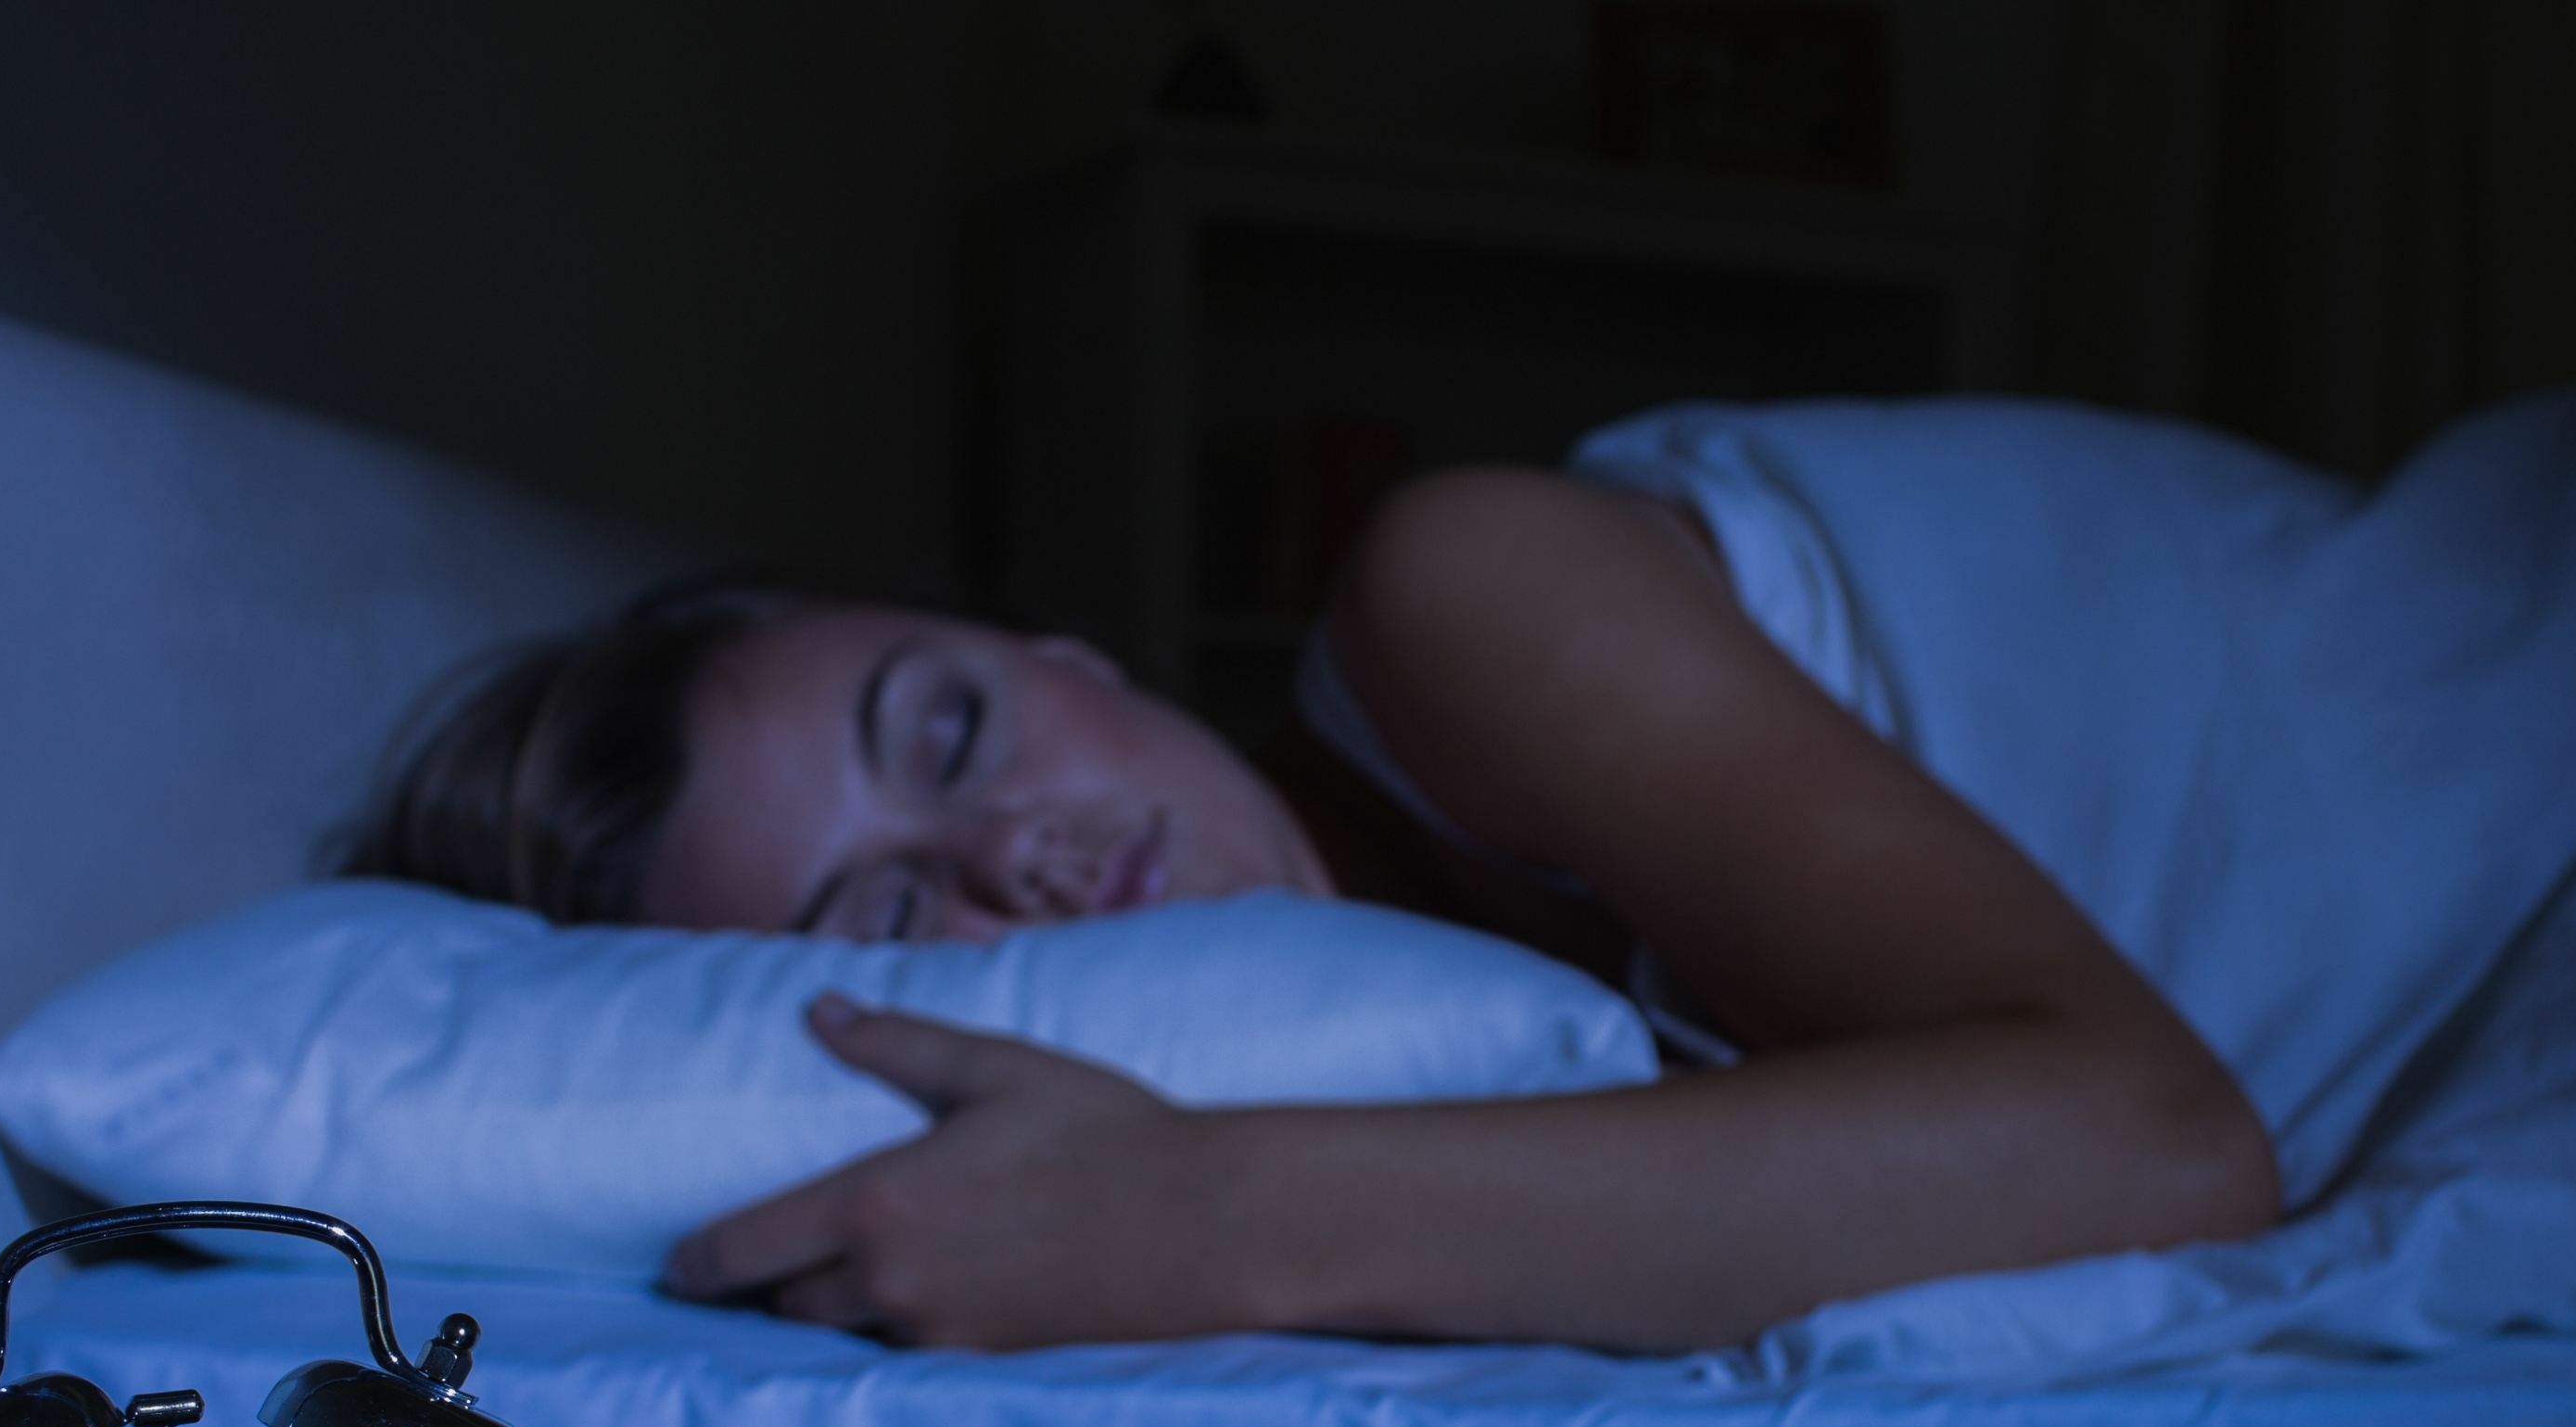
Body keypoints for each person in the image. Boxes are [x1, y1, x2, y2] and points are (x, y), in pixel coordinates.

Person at [349, 453, 2279, 1352]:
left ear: (1061, 646)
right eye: (878, 920)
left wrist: (1218, 1215)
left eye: (953, 727)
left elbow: (2154, 1148)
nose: (1015, 850)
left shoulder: (1461, 596)